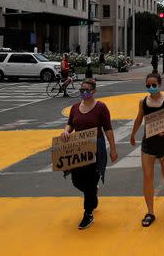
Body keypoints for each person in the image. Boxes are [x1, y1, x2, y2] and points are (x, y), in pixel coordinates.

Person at [61, 79, 118, 230]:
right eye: (81, 90)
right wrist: (66, 131)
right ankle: (92, 192)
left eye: (87, 90)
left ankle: (88, 212)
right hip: (78, 149)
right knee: (77, 181)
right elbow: (71, 124)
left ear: (93, 91)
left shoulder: (101, 108)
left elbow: (108, 129)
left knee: (90, 178)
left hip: (95, 148)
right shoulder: (74, 107)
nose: (84, 93)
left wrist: (113, 148)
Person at [129, 73, 164, 228]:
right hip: (148, 144)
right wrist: (133, 134)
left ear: (160, 84)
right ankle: (150, 212)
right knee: (147, 177)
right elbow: (138, 118)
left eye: (154, 85)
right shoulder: (143, 102)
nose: (151, 88)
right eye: (148, 85)